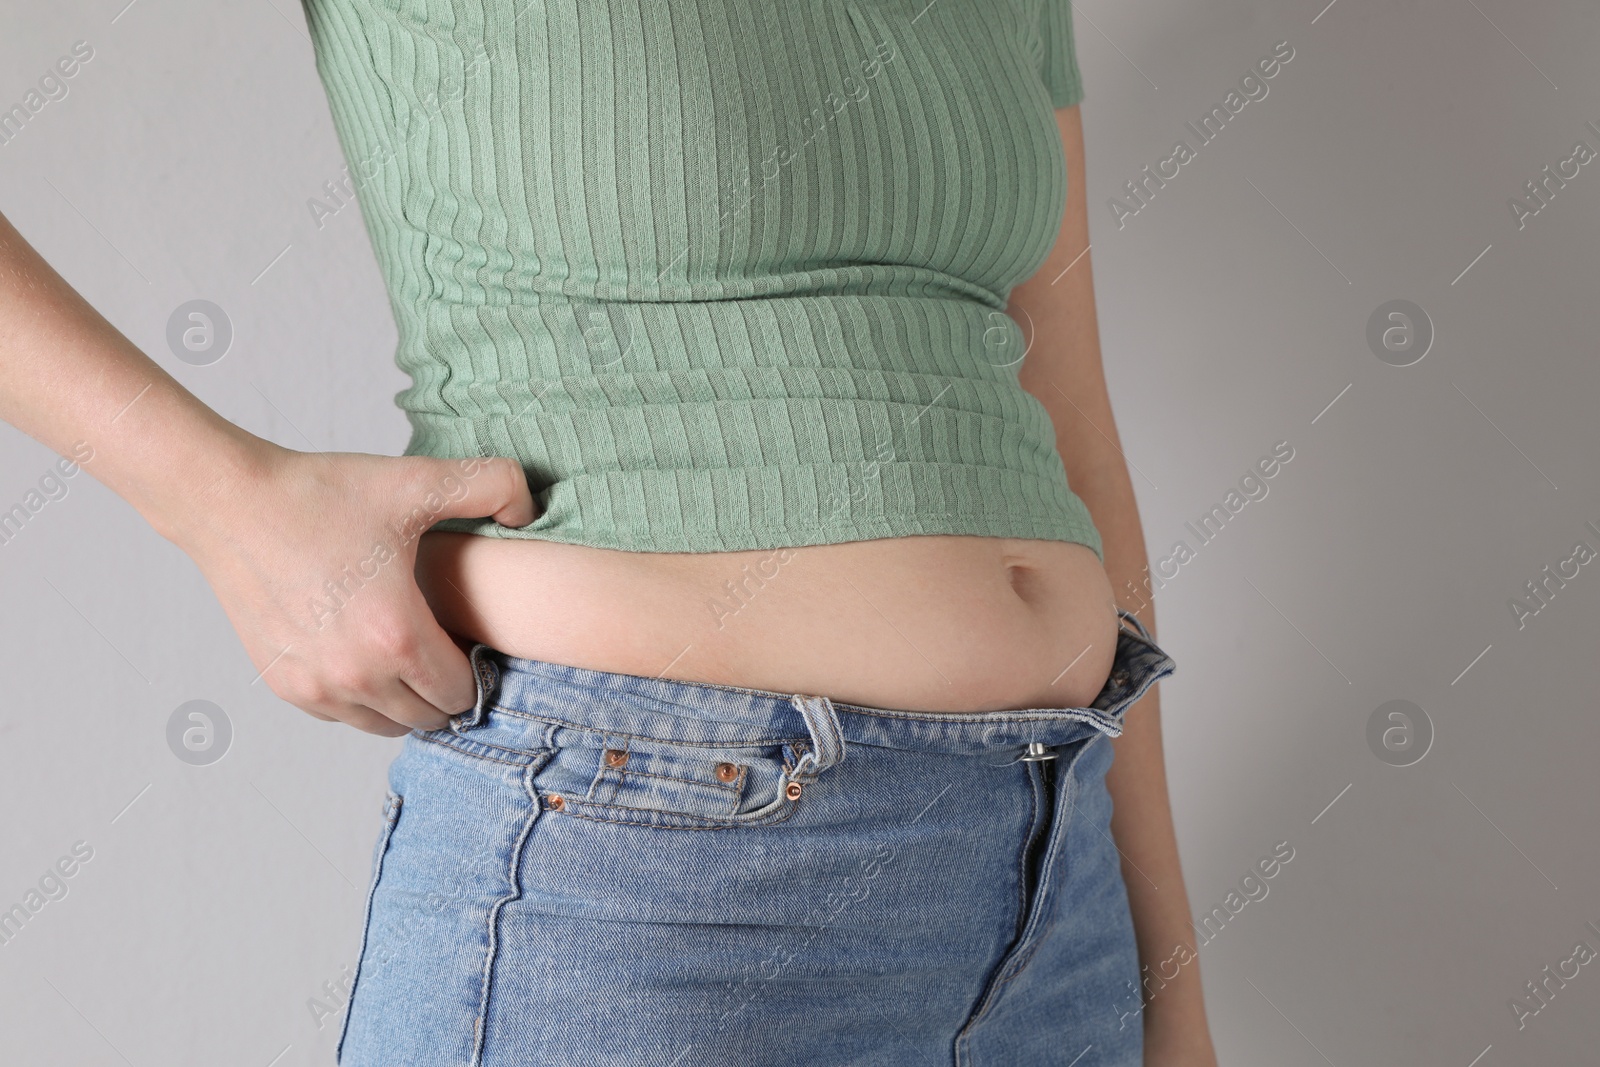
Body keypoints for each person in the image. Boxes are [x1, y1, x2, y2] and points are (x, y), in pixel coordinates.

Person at [0, 0, 1217, 1063]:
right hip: (646, 889)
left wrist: (1171, 982)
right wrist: (227, 505)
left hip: (1054, 886)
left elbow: (1071, 418)